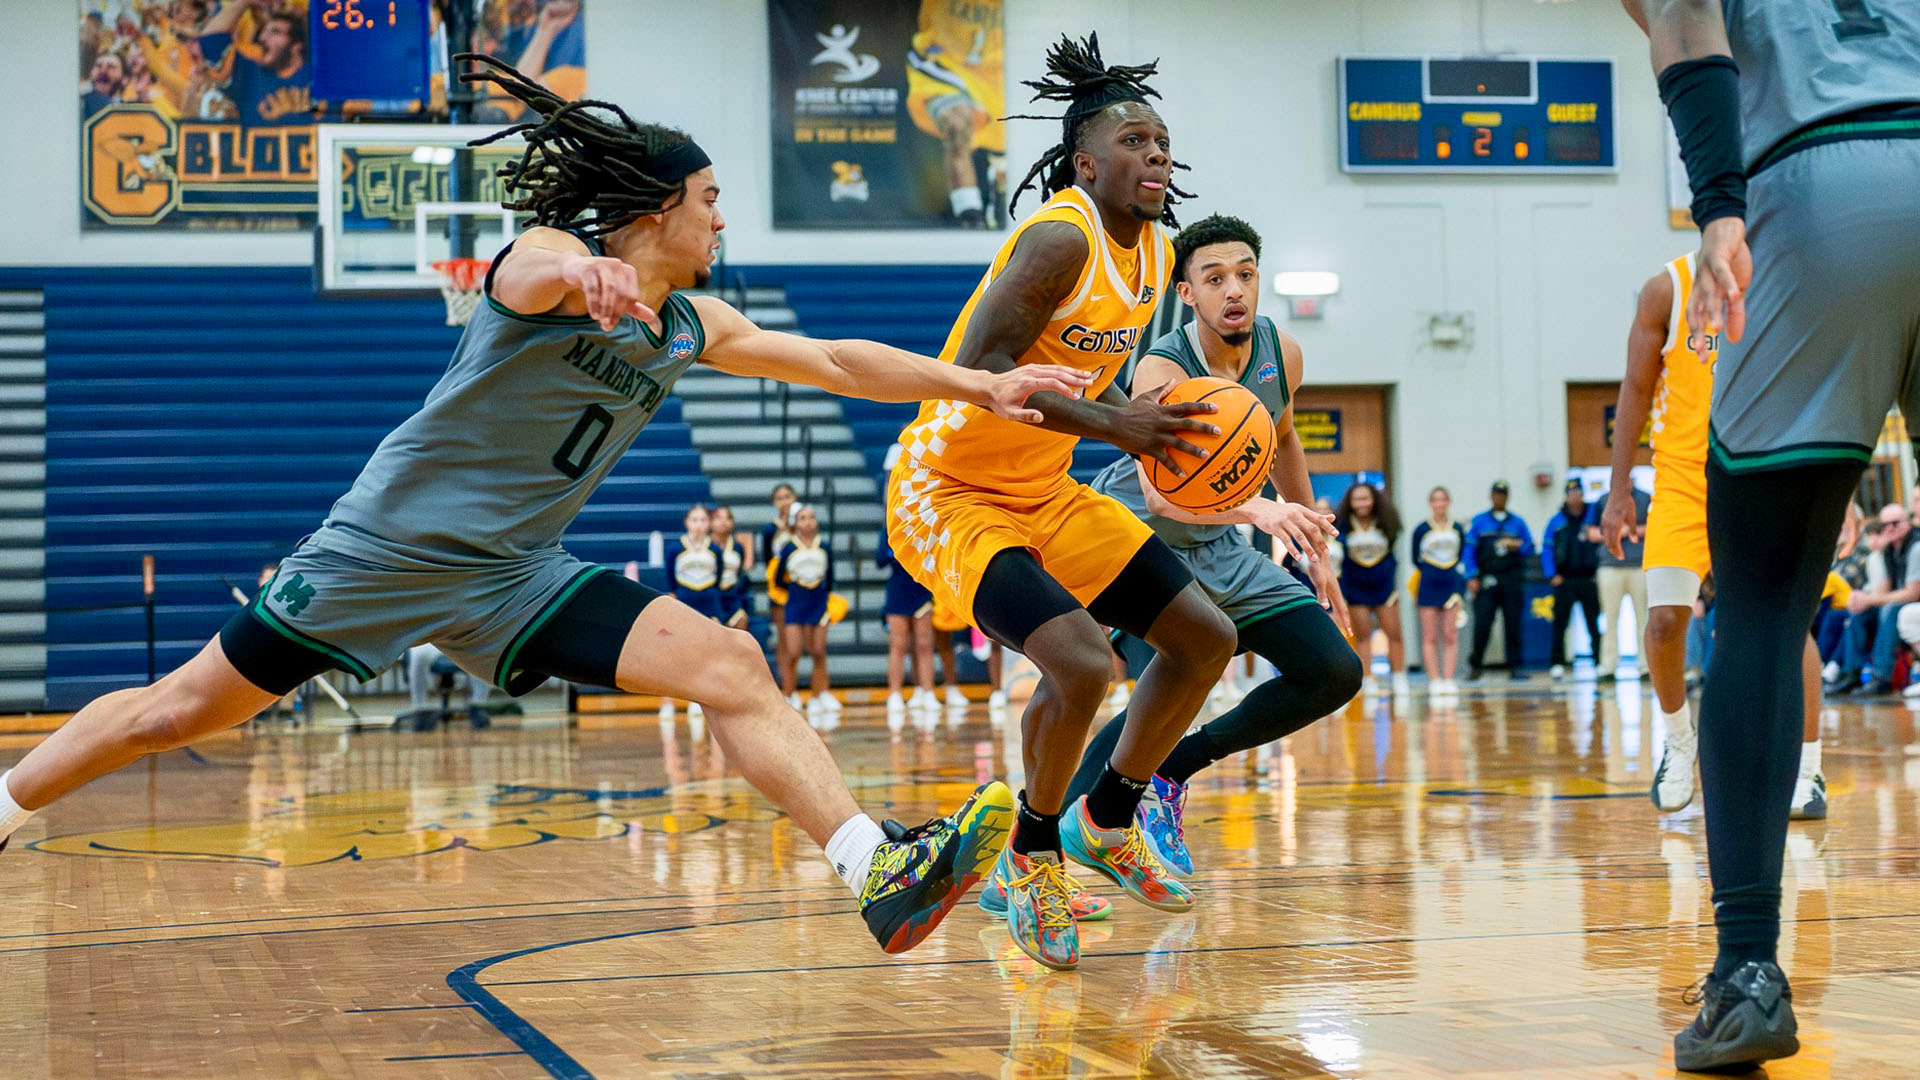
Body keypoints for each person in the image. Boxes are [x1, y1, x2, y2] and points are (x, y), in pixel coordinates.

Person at [0, 56, 1100, 958]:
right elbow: (535, 259)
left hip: (516, 575)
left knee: (730, 664)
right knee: (172, 714)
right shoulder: (544, 274)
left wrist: (980, 384)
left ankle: (877, 872)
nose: (723, 220)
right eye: (710, 200)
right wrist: (584, 270)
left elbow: (836, 360)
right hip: (382, 554)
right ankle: (5, 806)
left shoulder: (690, 326)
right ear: (657, 210)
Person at [885, 34, 1238, 971]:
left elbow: (1092, 374)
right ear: (1086, 163)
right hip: (948, 489)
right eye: (1134, 141)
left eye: (1162, 142)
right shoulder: (1061, 235)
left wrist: (1149, 427)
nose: (1156, 155)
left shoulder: (1156, 253)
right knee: (1083, 665)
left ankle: (1107, 820)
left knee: (1205, 639)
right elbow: (988, 364)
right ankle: (1031, 856)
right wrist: (1119, 426)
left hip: (1042, 487)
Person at [1626, 0, 1920, 1067]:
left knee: (1759, 606)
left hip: (1822, 186)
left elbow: (1684, 18)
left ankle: (1747, 971)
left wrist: (1718, 209)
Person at [1041, 213, 1356, 901]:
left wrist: (1312, 544)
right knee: (1158, 700)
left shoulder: (1282, 353)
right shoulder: (1162, 369)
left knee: (1333, 671)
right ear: (1186, 293)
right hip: (1137, 539)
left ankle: (1172, 768)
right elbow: (1161, 496)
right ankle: (1038, 863)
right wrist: (1262, 512)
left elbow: (1283, 436)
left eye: (1245, 274)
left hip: (1219, 542)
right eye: (1214, 279)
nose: (1233, 289)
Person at [1603, 253, 1830, 818]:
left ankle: (1808, 770)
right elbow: (1636, 387)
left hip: (1762, 476)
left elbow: (1811, 388)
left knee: (1788, 627)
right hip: (1683, 480)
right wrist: (1618, 489)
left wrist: (1832, 489)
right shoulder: (1667, 288)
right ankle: (1680, 742)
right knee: (1663, 621)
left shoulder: (1784, 280)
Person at [906, 0, 1006, 227]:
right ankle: (969, 217)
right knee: (958, 123)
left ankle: (993, 203)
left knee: (1003, 166)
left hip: (994, 77)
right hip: (944, 64)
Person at [1825, 503, 1918, 696]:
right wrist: (1863, 600)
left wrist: (1869, 599)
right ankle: (1851, 672)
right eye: (1885, 525)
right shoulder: (1887, 551)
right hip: (1896, 604)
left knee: (1889, 609)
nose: (1890, 528)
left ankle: (1881, 676)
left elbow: (1912, 593)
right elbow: (1882, 591)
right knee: (1859, 612)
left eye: (1895, 523)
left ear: (1907, 523)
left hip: (1908, 604)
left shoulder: (1915, 547)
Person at [1334, 482, 1403, 695]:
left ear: (1374, 500)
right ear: (1350, 502)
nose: (1361, 503)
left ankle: (1399, 678)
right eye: (1357, 499)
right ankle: (1367, 678)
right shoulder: (1343, 525)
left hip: (1384, 585)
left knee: (1394, 633)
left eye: (1365, 498)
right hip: (1356, 586)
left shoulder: (1386, 522)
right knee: (1363, 635)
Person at [194, 0, 309, 126]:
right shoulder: (249, 73)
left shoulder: (317, 73)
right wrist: (245, 2)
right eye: (263, 32)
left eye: (275, 32)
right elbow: (208, 42)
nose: (262, 38)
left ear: (296, 46)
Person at [1464, 481, 1534, 681]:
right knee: (1482, 623)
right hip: (1487, 578)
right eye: (1496, 494)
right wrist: (1471, 575)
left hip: (1511, 579)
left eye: (1503, 495)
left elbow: (1529, 546)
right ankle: (1476, 665)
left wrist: (1517, 546)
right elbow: (1469, 550)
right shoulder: (1479, 522)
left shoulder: (1517, 523)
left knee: (1513, 623)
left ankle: (1515, 666)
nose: (1499, 498)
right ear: (1491, 496)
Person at [775, 504, 837, 726]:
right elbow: (778, 579)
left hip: (818, 602)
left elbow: (830, 578)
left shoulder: (825, 546)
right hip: (796, 603)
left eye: (811, 517)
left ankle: (817, 696)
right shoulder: (789, 548)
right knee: (793, 652)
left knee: (818, 651)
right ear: (795, 523)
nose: (808, 522)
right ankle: (789, 694)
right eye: (803, 518)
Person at [875, 530, 936, 730]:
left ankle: (927, 692)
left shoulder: (922, 525)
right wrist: (897, 551)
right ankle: (895, 694)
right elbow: (880, 560)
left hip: (921, 587)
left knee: (924, 644)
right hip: (898, 590)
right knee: (898, 645)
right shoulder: (889, 529)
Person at [1543, 480, 1602, 680]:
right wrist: (1551, 574)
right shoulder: (1557, 521)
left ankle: (1599, 660)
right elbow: (1548, 549)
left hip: (1588, 578)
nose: (1575, 497)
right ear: (1566, 497)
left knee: (1593, 622)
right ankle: (1557, 662)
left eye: (1578, 492)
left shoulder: (1592, 517)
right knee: (1560, 623)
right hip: (1564, 579)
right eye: (1571, 493)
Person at [1411, 486, 1467, 693]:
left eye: (1443, 499)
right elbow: (1415, 557)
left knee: (1450, 633)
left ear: (1448, 502)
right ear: (1430, 503)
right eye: (1435, 499)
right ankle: (1434, 680)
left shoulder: (1457, 528)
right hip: (1428, 582)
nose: (1439, 503)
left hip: (1451, 583)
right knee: (1430, 636)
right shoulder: (1421, 529)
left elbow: (1461, 554)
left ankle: (1449, 679)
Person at [401, 643, 493, 730]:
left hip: (457, 639)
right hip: (430, 642)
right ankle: (420, 708)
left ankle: (479, 705)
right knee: (419, 655)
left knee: (481, 650)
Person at [760, 482, 798, 681]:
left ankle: (797, 686)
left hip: (802, 586)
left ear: (795, 499)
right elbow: (768, 561)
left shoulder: (803, 523)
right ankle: (786, 686)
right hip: (780, 588)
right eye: (780, 498)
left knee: (800, 640)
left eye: (788, 497)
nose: (784, 502)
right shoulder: (769, 530)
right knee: (783, 638)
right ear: (774, 502)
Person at [709, 504, 751, 629]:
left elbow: (740, 572)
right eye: (718, 518)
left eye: (727, 518)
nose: (723, 521)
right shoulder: (704, 546)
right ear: (710, 521)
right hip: (709, 596)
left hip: (732, 595)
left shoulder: (738, 547)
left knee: (741, 622)